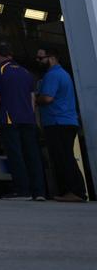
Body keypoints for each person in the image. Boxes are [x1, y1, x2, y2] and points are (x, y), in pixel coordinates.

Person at [0, 42, 46, 200]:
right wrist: (30, 114)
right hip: (28, 119)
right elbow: (32, 97)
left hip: (9, 118)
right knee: (32, 155)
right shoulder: (26, 72)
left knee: (16, 154)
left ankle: (22, 190)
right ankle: (39, 191)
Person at [35, 45, 87, 202]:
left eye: (40, 57)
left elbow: (47, 98)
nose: (37, 61)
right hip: (67, 121)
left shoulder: (52, 75)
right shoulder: (63, 74)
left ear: (50, 58)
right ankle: (72, 191)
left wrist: (34, 99)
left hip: (57, 122)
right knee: (66, 156)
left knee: (63, 158)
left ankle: (75, 191)